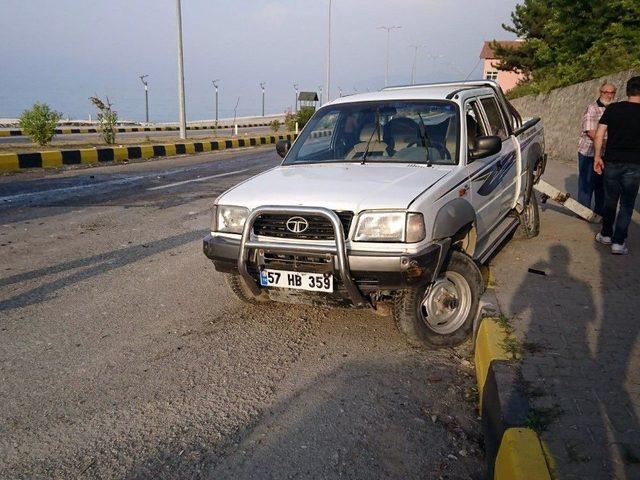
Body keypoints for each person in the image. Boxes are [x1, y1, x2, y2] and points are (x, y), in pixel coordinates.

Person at [594, 76, 640, 254]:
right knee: (627, 204)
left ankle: (606, 234)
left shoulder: (613, 108)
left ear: (627, 91)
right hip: (635, 164)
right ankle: (618, 243)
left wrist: (597, 157)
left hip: (612, 161)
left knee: (610, 200)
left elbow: (599, 134)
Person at [577, 83, 616, 214]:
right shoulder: (592, 108)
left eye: (612, 93)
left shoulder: (614, 109)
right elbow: (591, 132)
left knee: (603, 184)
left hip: (606, 152)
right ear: (600, 92)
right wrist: (606, 144)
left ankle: (600, 212)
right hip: (588, 151)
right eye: (606, 92)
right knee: (586, 183)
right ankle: (583, 212)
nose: (609, 95)